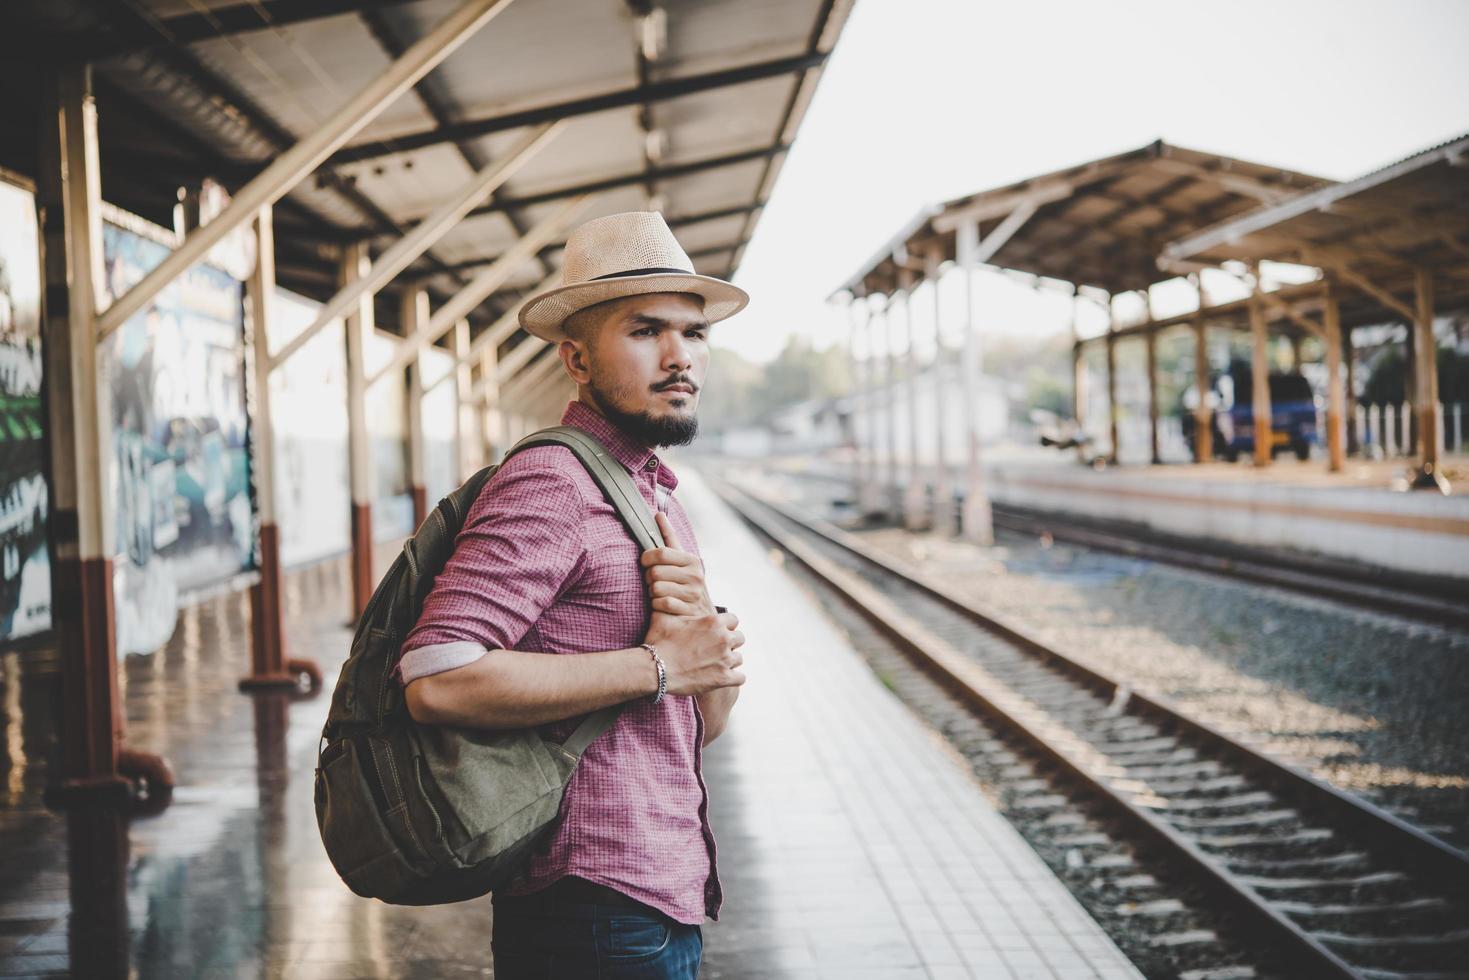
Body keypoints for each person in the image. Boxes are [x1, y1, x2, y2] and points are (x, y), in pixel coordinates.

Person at [397, 211, 750, 979]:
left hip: (663, 894)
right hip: (589, 904)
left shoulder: (653, 493)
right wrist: (657, 665)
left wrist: (706, 656)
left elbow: (693, 722)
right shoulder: (554, 482)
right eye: (645, 330)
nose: (679, 356)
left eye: (693, 334)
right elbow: (436, 675)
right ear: (576, 359)